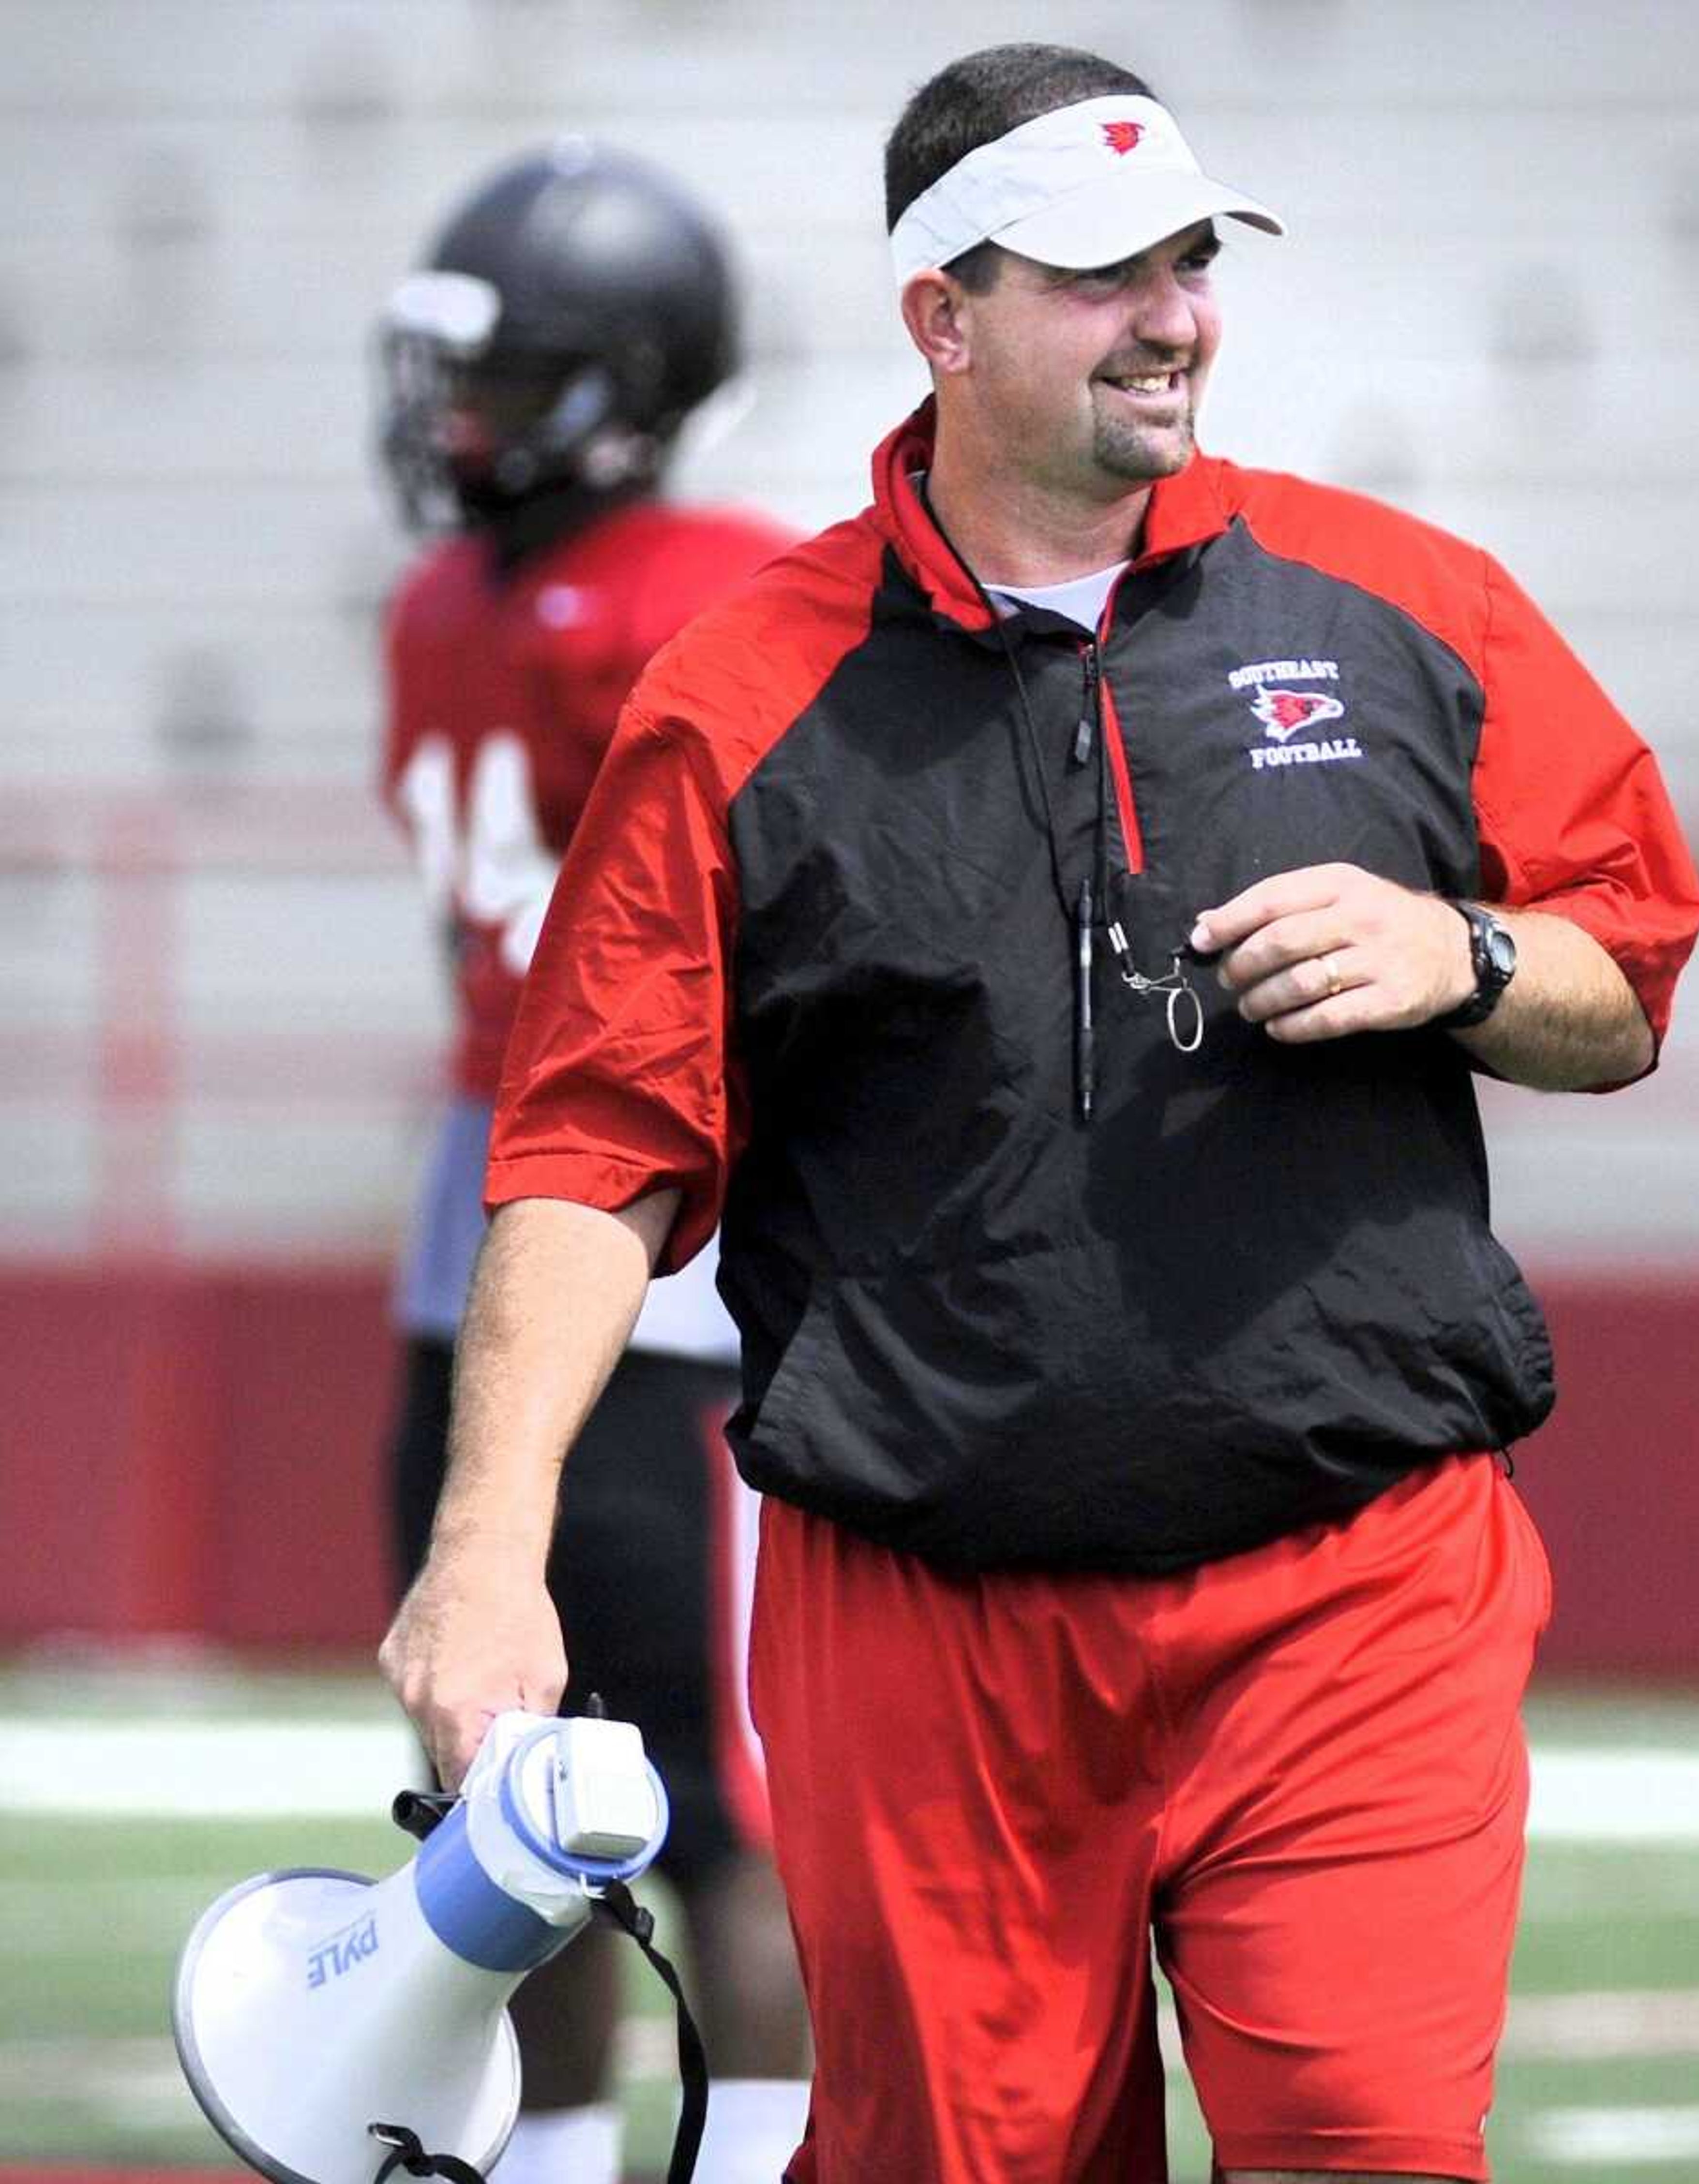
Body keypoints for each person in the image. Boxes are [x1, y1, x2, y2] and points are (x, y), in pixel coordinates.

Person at [381, 45, 1699, 2184]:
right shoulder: (738, 690)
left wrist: (1457, 954)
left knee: (1370, 2137)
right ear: (944, 315)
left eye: (1191, 258)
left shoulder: (1407, 603)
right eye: (1103, 273)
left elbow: (1625, 968)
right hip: (930, 1618)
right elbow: (591, 1144)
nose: (1174, 314)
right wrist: (487, 1549)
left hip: (1353, 1582)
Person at [374, 140, 809, 2184]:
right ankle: (548, 2157)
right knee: (502, 1764)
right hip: (484, 1197)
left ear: (628, 381)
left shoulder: (707, 584)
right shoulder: (456, 600)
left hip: (667, 1200)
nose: (462, 424)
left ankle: (764, 2152)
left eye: (509, 377)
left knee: (705, 1781)